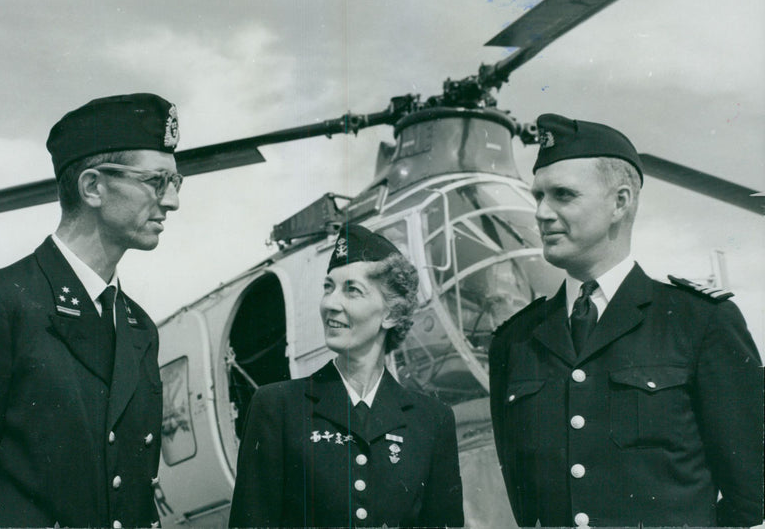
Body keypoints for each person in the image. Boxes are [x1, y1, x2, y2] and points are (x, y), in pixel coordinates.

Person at [488, 113, 764, 528]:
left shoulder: (700, 322)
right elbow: (525, 504)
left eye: (563, 195)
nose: (542, 213)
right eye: (538, 196)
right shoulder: (516, 340)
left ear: (620, 202)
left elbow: (753, 492)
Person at [0, 93, 182, 528]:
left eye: (177, 182)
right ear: (92, 187)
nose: (173, 201)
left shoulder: (139, 327)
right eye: (157, 181)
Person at [228, 224, 464, 528]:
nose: (330, 303)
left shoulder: (432, 420)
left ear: (391, 314)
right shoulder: (277, 407)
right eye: (328, 287)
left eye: (352, 290)